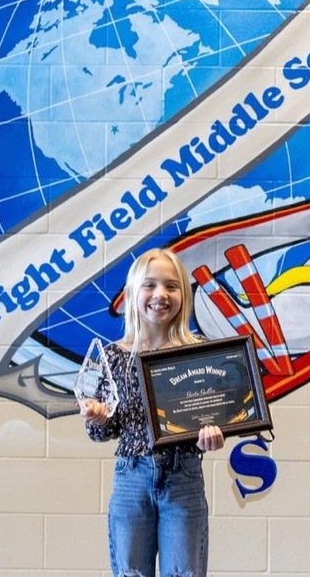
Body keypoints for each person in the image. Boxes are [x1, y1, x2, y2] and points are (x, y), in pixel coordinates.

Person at [81, 247, 225, 577]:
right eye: (150, 285)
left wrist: (213, 436)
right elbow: (103, 431)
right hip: (131, 476)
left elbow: (211, 417)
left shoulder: (199, 352)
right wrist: (98, 417)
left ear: (183, 295)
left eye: (171, 286)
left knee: (184, 572)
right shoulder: (113, 357)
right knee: (130, 571)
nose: (160, 294)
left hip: (183, 475)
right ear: (133, 293)